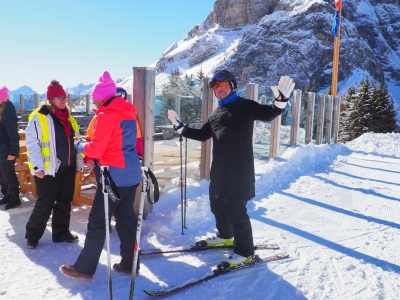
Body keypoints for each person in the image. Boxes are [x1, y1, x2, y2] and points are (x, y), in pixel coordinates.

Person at [167, 70, 295, 267]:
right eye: (216, 87)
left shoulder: (245, 106)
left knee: (237, 212)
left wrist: (281, 101)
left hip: (240, 172)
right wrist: (180, 128)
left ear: (232, 85)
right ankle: (226, 236)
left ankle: (245, 252)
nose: (219, 89)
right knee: (217, 205)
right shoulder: (216, 114)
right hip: (219, 171)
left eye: (223, 84)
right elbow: (202, 135)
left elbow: (268, 114)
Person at [60, 71, 142, 280]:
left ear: (101, 97)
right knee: (125, 220)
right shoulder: (128, 113)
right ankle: (130, 263)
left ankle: (84, 268)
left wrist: (80, 144)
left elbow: (95, 150)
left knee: (98, 222)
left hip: (114, 177)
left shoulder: (106, 115)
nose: (94, 99)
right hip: (131, 175)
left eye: (95, 96)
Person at [25, 80, 83, 249]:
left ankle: (61, 233)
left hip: (68, 167)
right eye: (59, 97)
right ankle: (33, 235)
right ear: (50, 99)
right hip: (49, 169)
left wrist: (78, 162)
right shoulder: (40, 117)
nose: (63, 100)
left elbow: (76, 142)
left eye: (64, 97)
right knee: (46, 202)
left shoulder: (70, 118)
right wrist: (37, 167)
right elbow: (32, 144)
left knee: (65, 201)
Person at [0, 86, 21, 210]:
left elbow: (13, 133)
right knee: (2, 175)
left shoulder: (7, 110)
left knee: (8, 175)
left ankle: (14, 198)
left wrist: (13, 151)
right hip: (1, 149)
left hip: (7, 150)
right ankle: (6, 194)